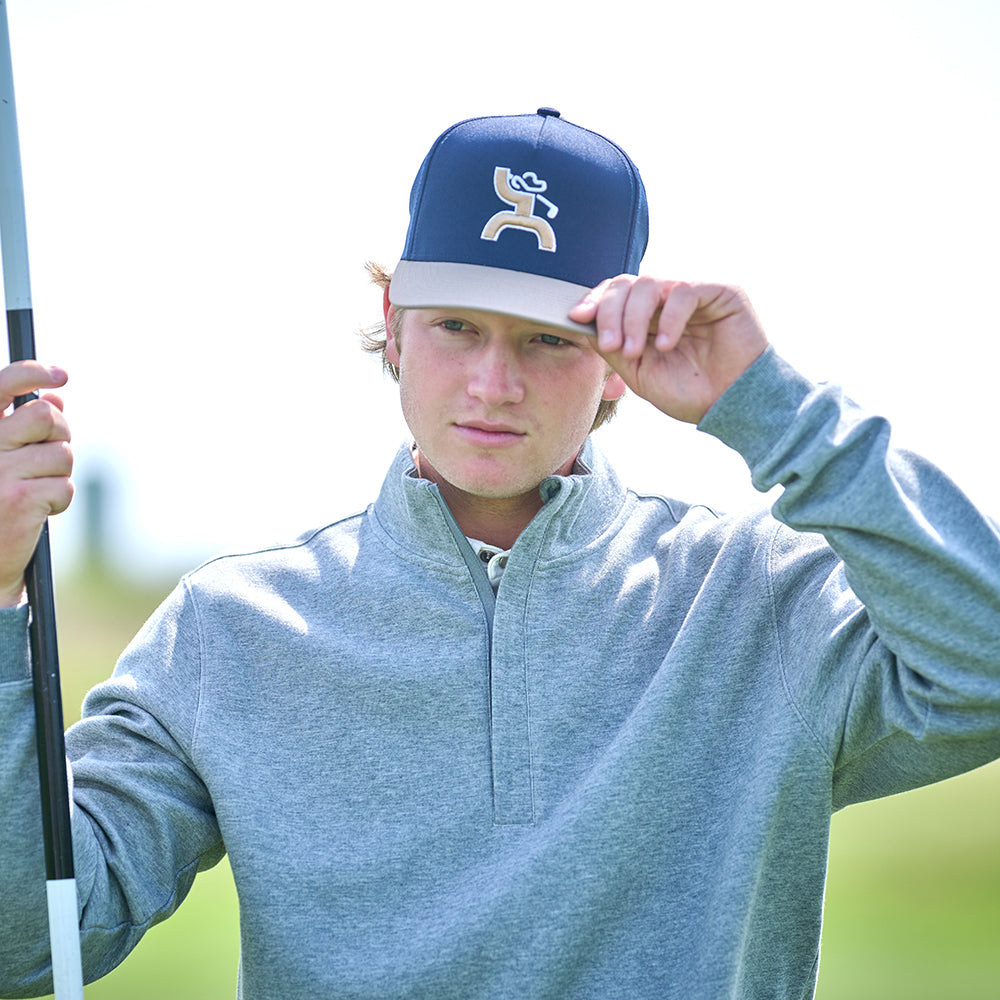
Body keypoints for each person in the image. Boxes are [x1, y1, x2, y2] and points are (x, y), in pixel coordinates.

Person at [1, 108, 999, 1000]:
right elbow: (34, 945)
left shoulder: (758, 600)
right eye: (456, 326)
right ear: (394, 329)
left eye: (547, 339)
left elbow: (983, 671)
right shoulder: (229, 627)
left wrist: (770, 407)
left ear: (619, 365)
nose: (492, 382)